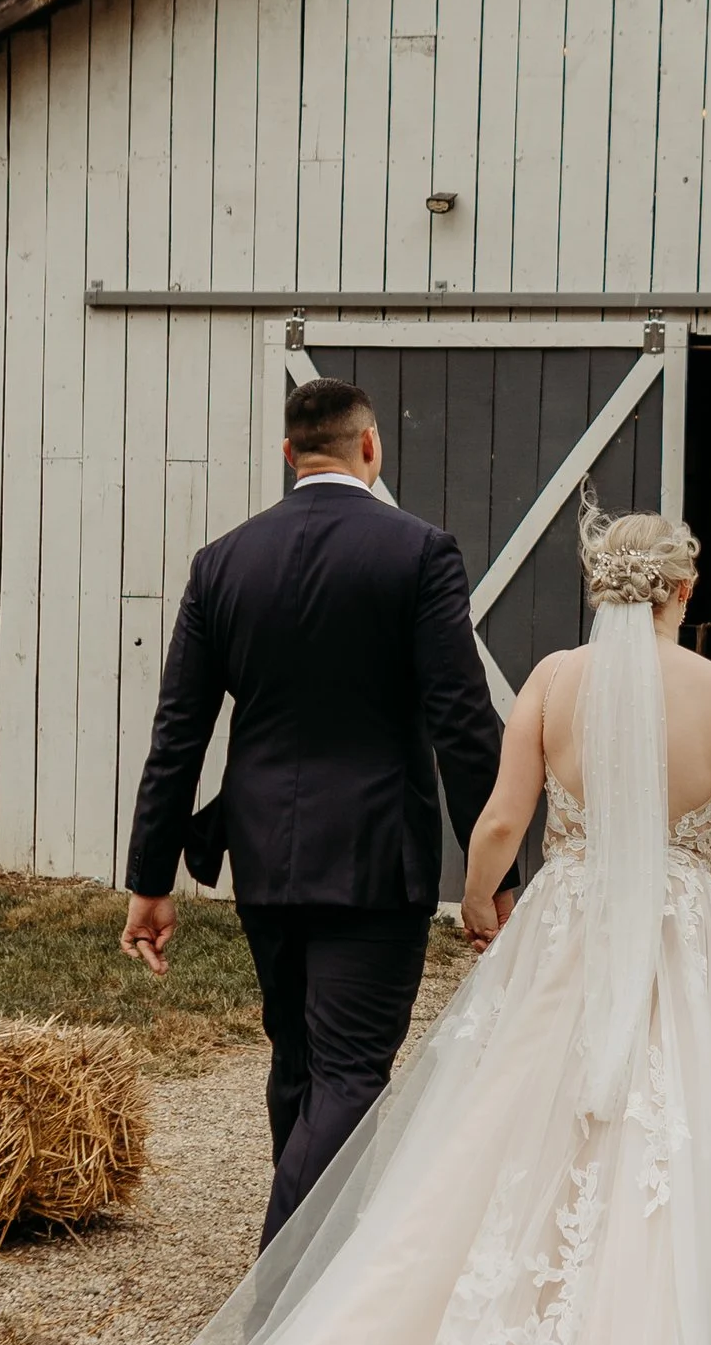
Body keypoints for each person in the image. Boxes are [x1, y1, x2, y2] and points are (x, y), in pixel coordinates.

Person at [87, 502, 711, 1345]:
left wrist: (481, 904)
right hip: (674, 932)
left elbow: (503, 823)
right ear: (684, 588)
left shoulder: (553, 684)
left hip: (566, 926)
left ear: (596, 588)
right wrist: (685, 853)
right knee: (655, 1135)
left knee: (508, 1132)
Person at [118, 377, 502, 1246]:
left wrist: (151, 879)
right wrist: (498, 872)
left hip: (264, 855)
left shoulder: (223, 561)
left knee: (299, 1060)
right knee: (352, 1072)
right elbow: (464, 725)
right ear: (371, 448)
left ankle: (312, 1261)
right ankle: (279, 1295)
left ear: (289, 454)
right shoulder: (419, 553)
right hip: (374, 859)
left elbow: (178, 732)